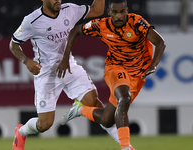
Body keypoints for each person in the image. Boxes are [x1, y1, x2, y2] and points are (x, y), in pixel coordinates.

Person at [8, 0, 121, 150]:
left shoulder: (70, 9)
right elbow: (13, 44)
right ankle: (21, 132)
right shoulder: (31, 21)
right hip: (47, 74)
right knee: (44, 124)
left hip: (69, 67)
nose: (58, 1)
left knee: (95, 103)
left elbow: (97, 10)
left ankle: (126, 146)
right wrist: (26, 61)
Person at [57, 0, 166, 150]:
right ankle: (125, 147)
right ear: (109, 12)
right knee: (124, 98)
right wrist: (65, 58)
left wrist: (153, 65)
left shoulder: (137, 22)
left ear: (127, 10)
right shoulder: (101, 25)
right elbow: (75, 30)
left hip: (137, 75)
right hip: (115, 68)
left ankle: (80, 109)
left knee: (107, 120)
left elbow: (160, 43)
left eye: (122, 11)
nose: (119, 16)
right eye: (115, 12)